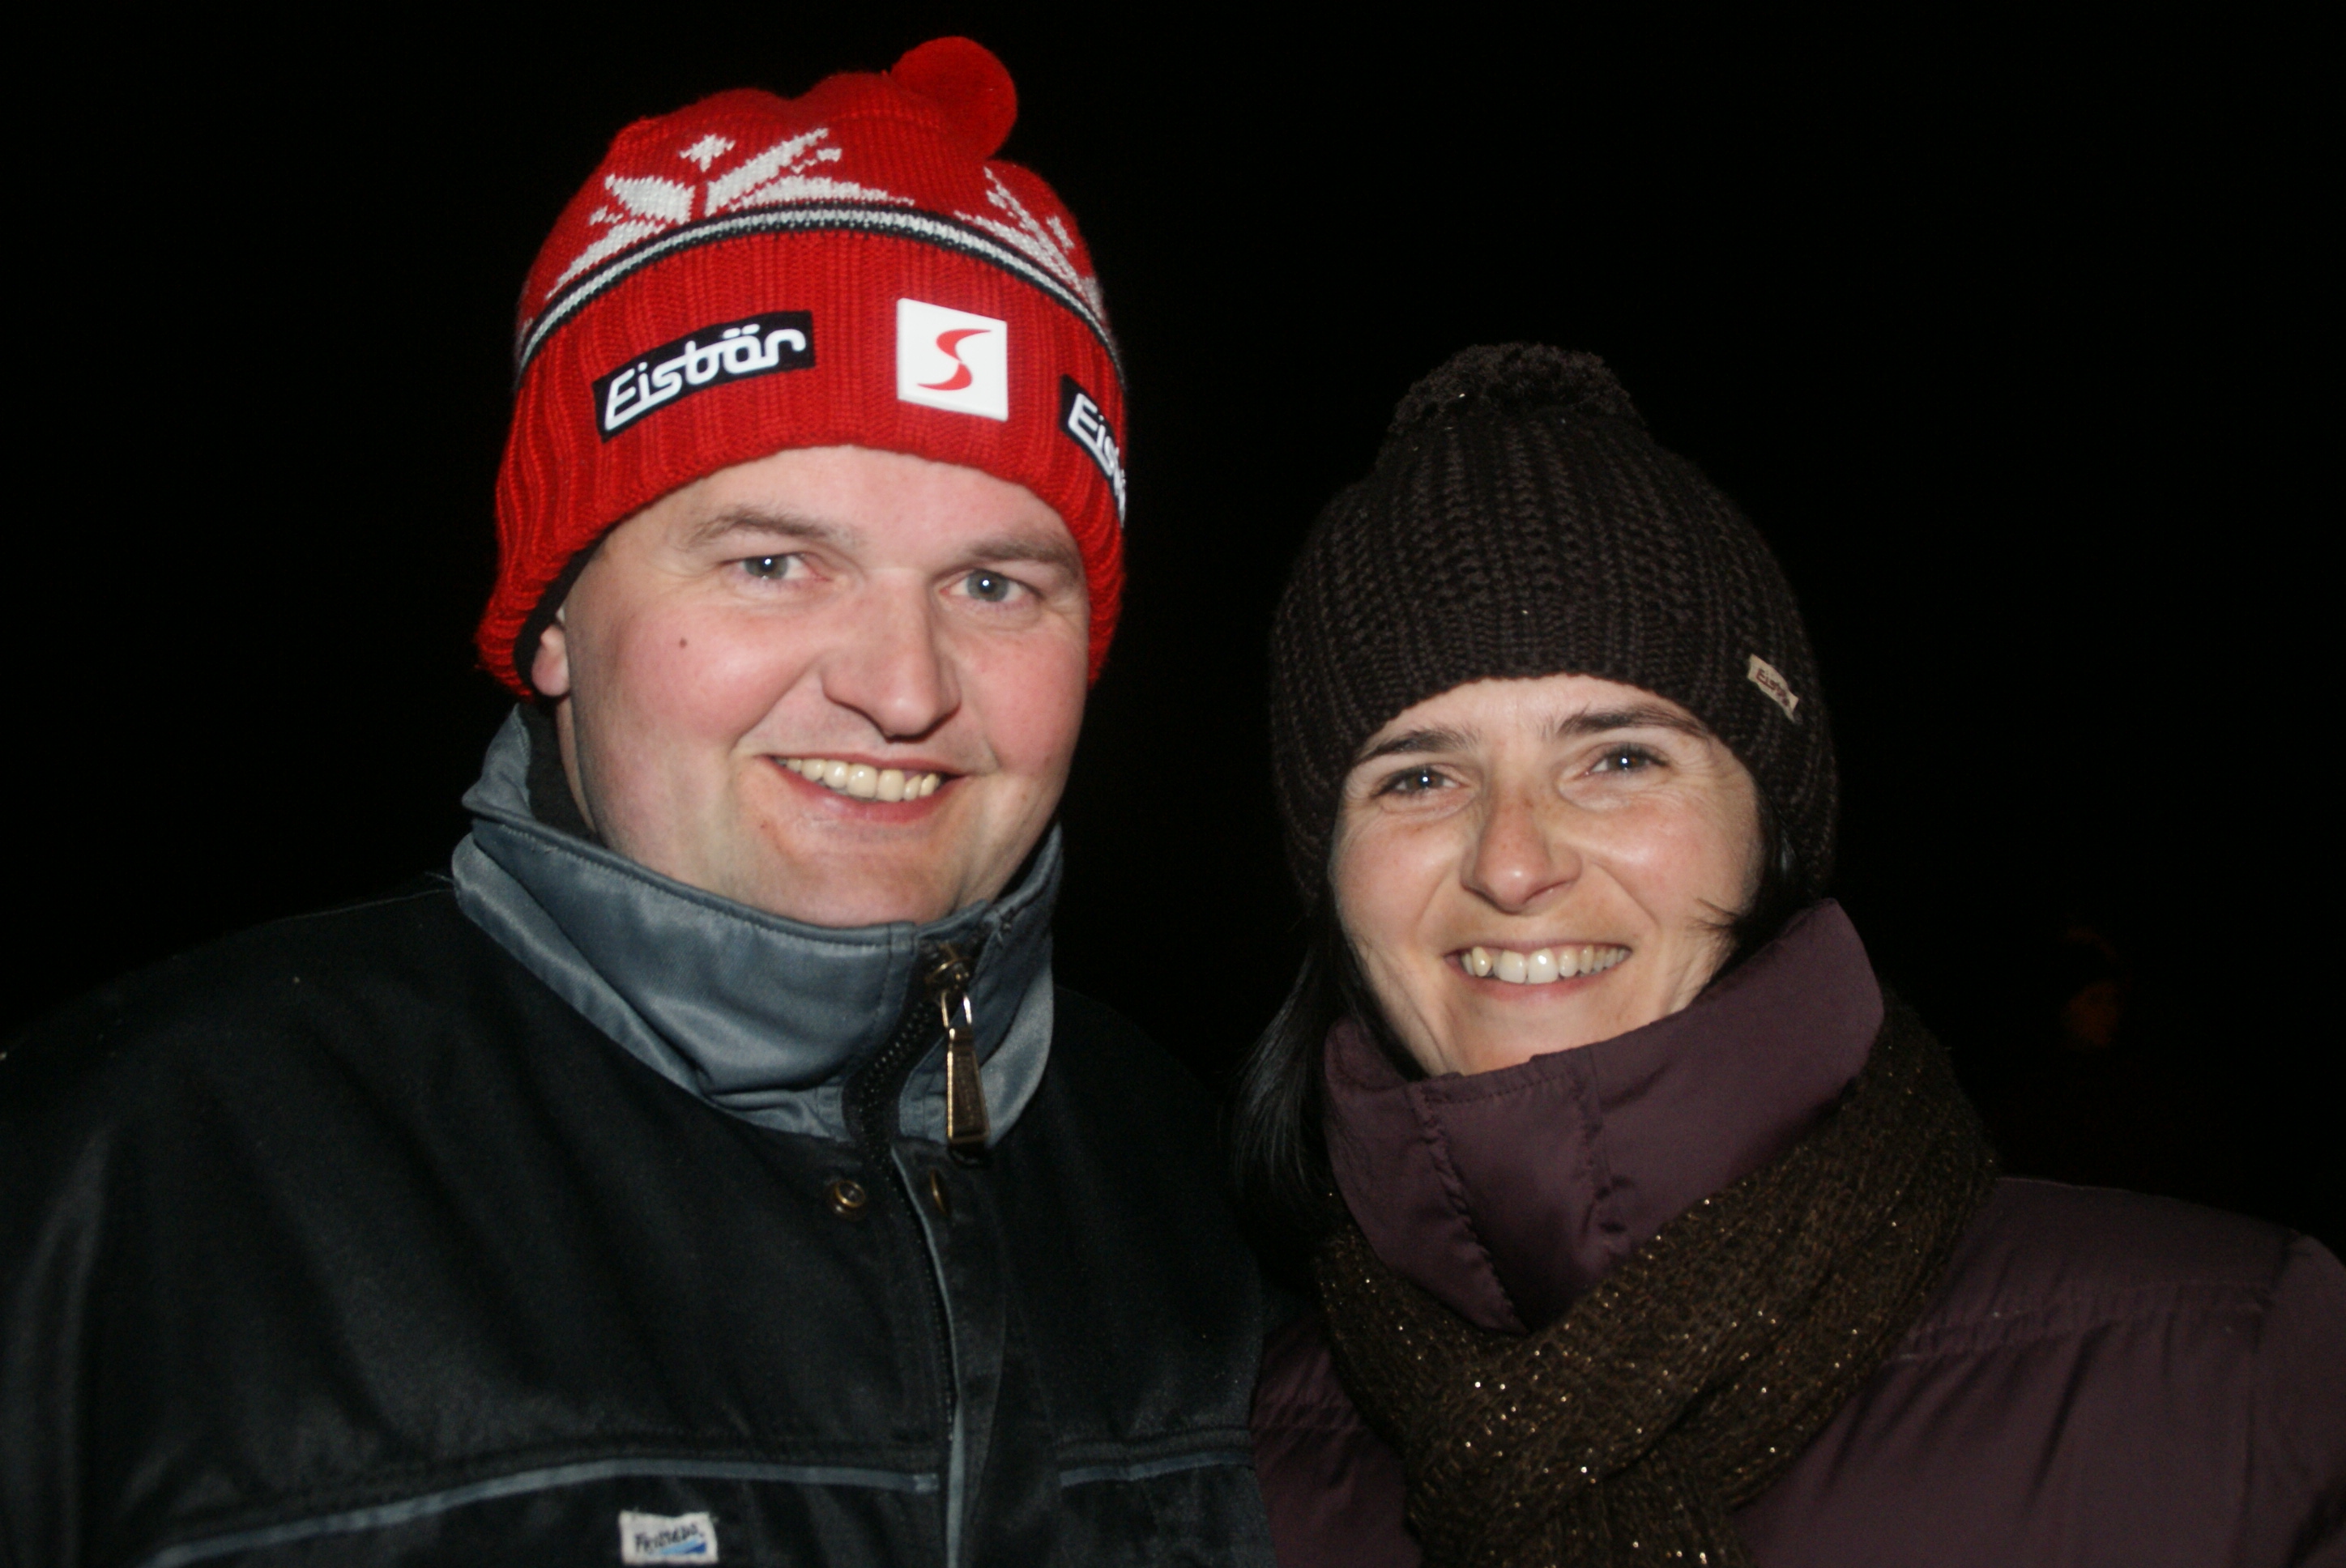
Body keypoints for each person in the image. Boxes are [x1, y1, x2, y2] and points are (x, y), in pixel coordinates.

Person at [2, 40, 1275, 1567]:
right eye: (773, 562)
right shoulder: (128, 1190)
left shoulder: (1214, 1211)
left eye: (994, 584)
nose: (902, 686)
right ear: (553, 619)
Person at [1237, 345, 2346, 1567]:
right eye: (1418, 777)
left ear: (1771, 827)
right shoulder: (1218, 1474)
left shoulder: (2231, 1382)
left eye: (1619, 759)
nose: (1511, 862)